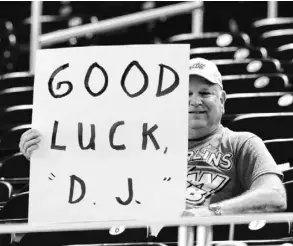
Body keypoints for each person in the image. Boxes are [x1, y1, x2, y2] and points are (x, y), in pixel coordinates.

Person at [19, 57, 287, 217]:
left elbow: (275, 196)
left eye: (204, 93)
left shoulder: (243, 143)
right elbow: (89, 186)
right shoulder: (141, 143)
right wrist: (46, 155)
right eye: (186, 94)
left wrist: (208, 214)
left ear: (222, 99)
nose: (195, 101)